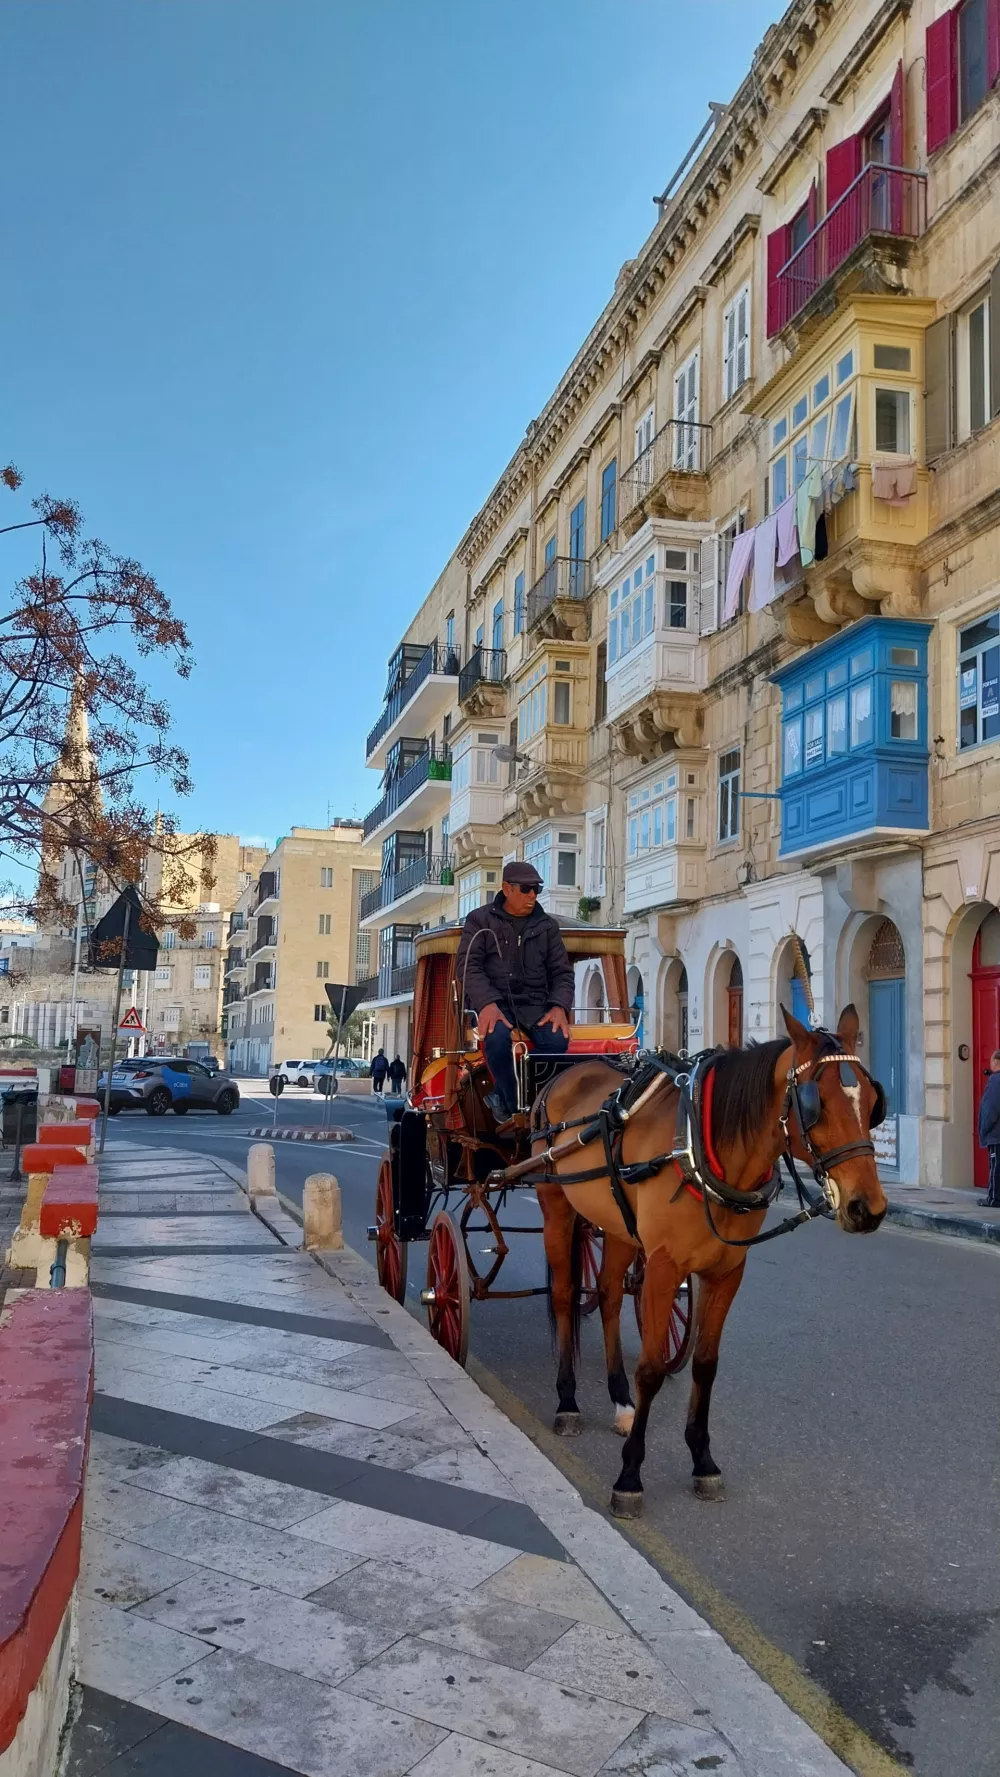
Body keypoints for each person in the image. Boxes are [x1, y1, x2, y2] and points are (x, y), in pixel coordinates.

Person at [456, 860, 574, 1125]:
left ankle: (532, 1101)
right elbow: (467, 967)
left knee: (557, 1041)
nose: (532, 895)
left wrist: (558, 1006)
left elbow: (563, 973)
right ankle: (513, 1108)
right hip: (495, 1003)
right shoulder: (479, 920)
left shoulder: (547, 927)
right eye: (526, 888)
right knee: (496, 1040)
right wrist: (486, 1003)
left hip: (535, 1005)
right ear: (506, 888)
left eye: (537, 889)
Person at [978, 1048, 1000, 1207]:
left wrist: (984, 1129)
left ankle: (994, 1198)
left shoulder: (995, 1080)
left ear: (996, 1062)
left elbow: (991, 1108)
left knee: (996, 1167)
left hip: (997, 1134)